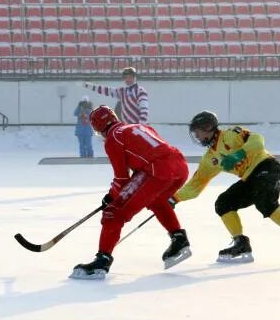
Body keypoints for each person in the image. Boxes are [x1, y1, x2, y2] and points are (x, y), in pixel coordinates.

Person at [172, 111, 280, 263]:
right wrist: (174, 198)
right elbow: (197, 183)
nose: (196, 136)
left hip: (268, 167)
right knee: (223, 203)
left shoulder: (230, 134)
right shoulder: (210, 158)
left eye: (197, 131)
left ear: (208, 127)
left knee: (264, 201)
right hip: (249, 179)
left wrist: (238, 154)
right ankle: (240, 243)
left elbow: (258, 140)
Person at [70, 105, 191, 279]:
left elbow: (121, 179)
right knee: (156, 201)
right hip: (180, 166)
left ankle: (101, 262)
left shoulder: (113, 138)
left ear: (100, 128)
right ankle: (179, 239)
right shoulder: (139, 126)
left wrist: (111, 197)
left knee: (114, 212)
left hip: (157, 171)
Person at [82, 66, 149, 124]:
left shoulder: (140, 91)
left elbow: (144, 110)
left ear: (135, 78)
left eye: (130, 77)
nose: (128, 79)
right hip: (126, 126)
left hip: (137, 126)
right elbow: (106, 90)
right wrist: (89, 86)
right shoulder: (122, 91)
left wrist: (141, 126)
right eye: (126, 77)